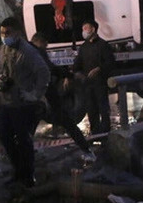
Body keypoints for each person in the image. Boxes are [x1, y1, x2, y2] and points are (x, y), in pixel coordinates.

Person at [0, 17, 50, 188]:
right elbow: (2, 69)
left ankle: (28, 176)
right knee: (5, 136)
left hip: (23, 104)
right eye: (2, 32)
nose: (4, 36)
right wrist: (1, 79)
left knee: (23, 140)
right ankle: (18, 171)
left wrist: (34, 94)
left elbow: (44, 73)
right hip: (7, 101)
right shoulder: (4, 48)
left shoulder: (28, 51)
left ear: (18, 33)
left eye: (8, 32)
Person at [30, 32, 96, 163]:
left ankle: (23, 153)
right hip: (46, 95)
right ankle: (87, 151)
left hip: (34, 97)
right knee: (67, 122)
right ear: (40, 42)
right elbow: (50, 68)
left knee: (30, 124)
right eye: (45, 45)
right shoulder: (37, 52)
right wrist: (69, 75)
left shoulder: (27, 52)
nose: (46, 48)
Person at [73, 19, 116, 136]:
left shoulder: (103, 45)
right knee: (91, 109)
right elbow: (77, 64)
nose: (84, 31)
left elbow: (110, 62)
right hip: (88, 84)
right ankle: (95, 133)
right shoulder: (83, 47)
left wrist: (99, 69)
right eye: (82, 29)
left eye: (85, 28)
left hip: (100, 83)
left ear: (93, 29)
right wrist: (76, 73)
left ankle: (106, 133)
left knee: (103, 108)